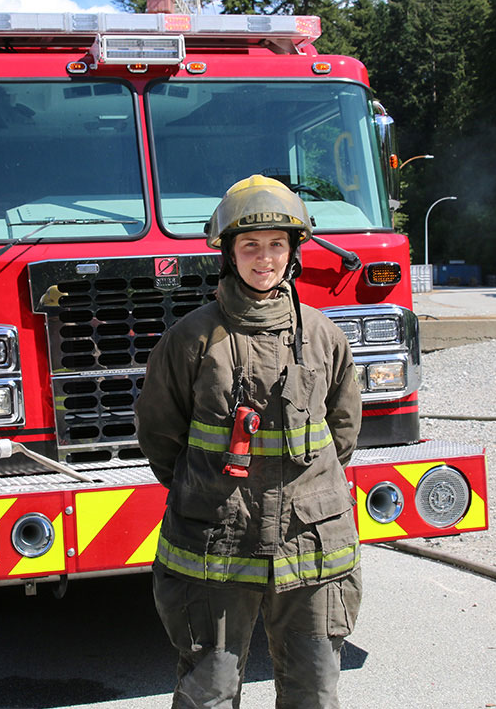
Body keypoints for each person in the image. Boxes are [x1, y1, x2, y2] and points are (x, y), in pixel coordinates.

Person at [136, 175, 363, 708]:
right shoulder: (190, 340)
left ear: (294, 252)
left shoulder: (326, 337)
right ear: (228, 254)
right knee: (208, 692)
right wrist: (210, 495)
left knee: (314, 692)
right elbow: (160, 436)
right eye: (250, 246)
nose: (265, 259)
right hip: (216, 542)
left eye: (277, 245)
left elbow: (343, 433)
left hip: (311, 545)